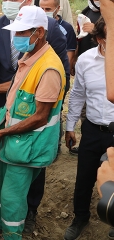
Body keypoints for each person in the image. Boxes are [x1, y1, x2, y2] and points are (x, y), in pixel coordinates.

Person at [0, 0, 70, 234]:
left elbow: (40, 116)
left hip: (28, 145)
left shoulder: (49, 68)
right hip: (14, 141)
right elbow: (15, 87)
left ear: (39, 33)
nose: (16, 37)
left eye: (21, 32)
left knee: (12, 197)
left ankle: (11, 234)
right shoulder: (30, 56)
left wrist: (0, 132)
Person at [63, 16, 114, 240]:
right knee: (84, 178)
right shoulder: (85, 60)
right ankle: (80, 217)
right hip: (93, 130)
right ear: (100, 39)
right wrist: (70, 126)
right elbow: (77, 95)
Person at [39, 0, 77, 67]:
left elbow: (70, 53)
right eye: (41, 9)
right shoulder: (35, 26)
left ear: (58, 8)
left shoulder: (67, 29)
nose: (44, 12)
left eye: (48, 9)